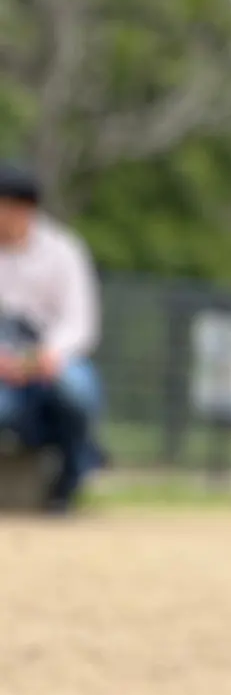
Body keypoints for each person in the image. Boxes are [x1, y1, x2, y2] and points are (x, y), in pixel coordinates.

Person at [0, 163, 104, 512]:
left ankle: (70, 477)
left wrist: (42, 358)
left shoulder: (63, 251)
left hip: (53, 363)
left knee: (77, 390)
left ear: (22, 208)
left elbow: (81, 323)